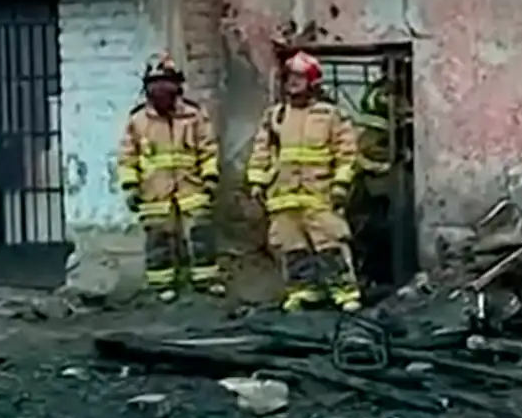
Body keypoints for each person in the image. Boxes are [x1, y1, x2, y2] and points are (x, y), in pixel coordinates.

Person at [246, 51, 361, 312]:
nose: (293, 83)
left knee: (330, 244)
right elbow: (261, 150)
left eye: (300, 77)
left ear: (313, 82)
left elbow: (347, 152)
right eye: (290, 77)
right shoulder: (275, 116)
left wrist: (341, 183)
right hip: (283, 194)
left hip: (319, 193)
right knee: (292, 248)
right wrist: (257, 181)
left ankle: (344, 292)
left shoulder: (330, 115)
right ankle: (304, 291)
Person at [116, 52, 222, 302]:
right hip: (154, 193)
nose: (161, 88)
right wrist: (130, 186)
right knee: (158, 239)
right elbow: (127, 156)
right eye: (155, 83)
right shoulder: (138, 120)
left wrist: (210, 179)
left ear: (178, 85)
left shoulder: (194, 116)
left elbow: (208, 149)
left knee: (200, 234)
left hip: (192, 189)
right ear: (146, 87)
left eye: (166, 82)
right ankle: (162, 285)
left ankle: (205, 280)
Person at [349, 61, 413, 286]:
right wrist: (398, 156)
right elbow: (370, 149)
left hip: (377, 180)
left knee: (383, 232)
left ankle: (378, 276)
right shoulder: (383, 95)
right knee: (375, 232)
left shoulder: (380, 92)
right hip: (374, 182)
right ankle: (374, 277)